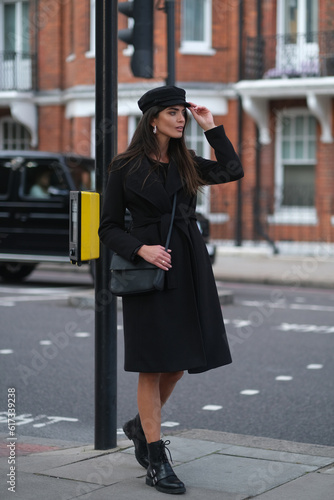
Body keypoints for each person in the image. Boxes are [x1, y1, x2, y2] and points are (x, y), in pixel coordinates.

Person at [98, 85, 244, 495]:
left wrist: (211, 128)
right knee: (152, 362)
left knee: (178, 362)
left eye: (183, 112)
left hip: (189, 265)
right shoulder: (124, 167)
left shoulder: (186, 162)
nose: (181, 119)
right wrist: (140, 248)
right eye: (174, 112)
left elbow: (232, 170)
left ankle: (139, 427)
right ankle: (156, 457)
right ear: (153, 119)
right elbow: (107, 227)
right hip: (150, 272)